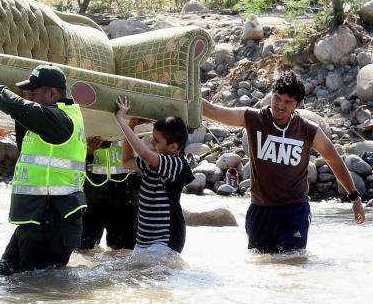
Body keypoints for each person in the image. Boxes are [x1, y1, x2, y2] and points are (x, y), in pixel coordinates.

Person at [202, 71, 365, 253]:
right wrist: (183, 95)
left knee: (292, 264)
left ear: (298, 104)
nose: (280, 106)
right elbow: (211, 110)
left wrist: (355, 198)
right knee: (262, 268)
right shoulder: (253, 119)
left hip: (294, 211)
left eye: (288, 102)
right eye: (277, 98)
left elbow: (334, 160)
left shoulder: (308, 130)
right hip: (260, 211)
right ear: (272, 94)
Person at [0, 65, 87, 274]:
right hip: (37, 218)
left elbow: (20, 107)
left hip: (51, 222)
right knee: (0, 275)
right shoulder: (50, 121)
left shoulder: (60, 120)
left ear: (52, 93)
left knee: (30, 292)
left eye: (33, 93)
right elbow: (23, 116)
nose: (29, 98)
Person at [112, 96, 194, 254]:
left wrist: (121, 120)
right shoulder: (152, 163)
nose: (151, 143)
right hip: (143, 241)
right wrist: (131, 126)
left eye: (156, 141)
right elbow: (127, 161)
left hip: (166, 241)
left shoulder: (175, 164)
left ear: (173, 147)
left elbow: (143, 153)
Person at [79, 137, 140, 251]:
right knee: (84, 248)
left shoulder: (133, 122)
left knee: (125, 250)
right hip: (92, 192)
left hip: (125, 192)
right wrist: (89, 151)